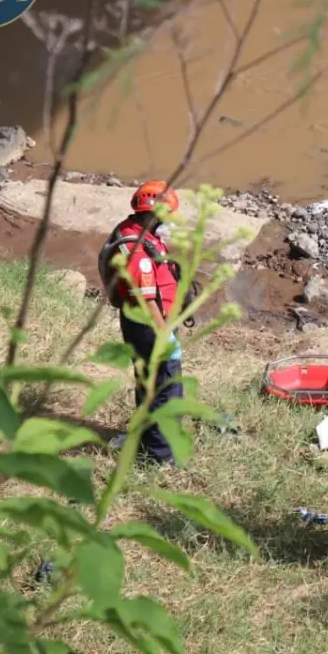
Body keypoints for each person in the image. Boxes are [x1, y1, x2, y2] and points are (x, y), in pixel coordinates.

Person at [103, 179, 183, 466]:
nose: (168, 222)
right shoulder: (136, 251)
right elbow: (147, 300)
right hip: (148, 326)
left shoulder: (134, 231)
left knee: (147, 385)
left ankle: (144, 438)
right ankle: (160, 457)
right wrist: (166, 338)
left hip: (141, 325)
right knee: (165, 389)